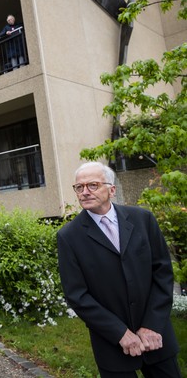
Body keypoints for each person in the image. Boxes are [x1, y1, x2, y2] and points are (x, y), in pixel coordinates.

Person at [57, 161, 180, 377]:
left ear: (111, 190)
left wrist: (152, 325)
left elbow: (162, 273)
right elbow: (77, 295)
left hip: (156, 337)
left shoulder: (143, 219)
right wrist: (120, 333)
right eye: (79, 187)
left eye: (92, 185)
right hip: (112, 345)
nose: (85, 192)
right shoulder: (69, 236)